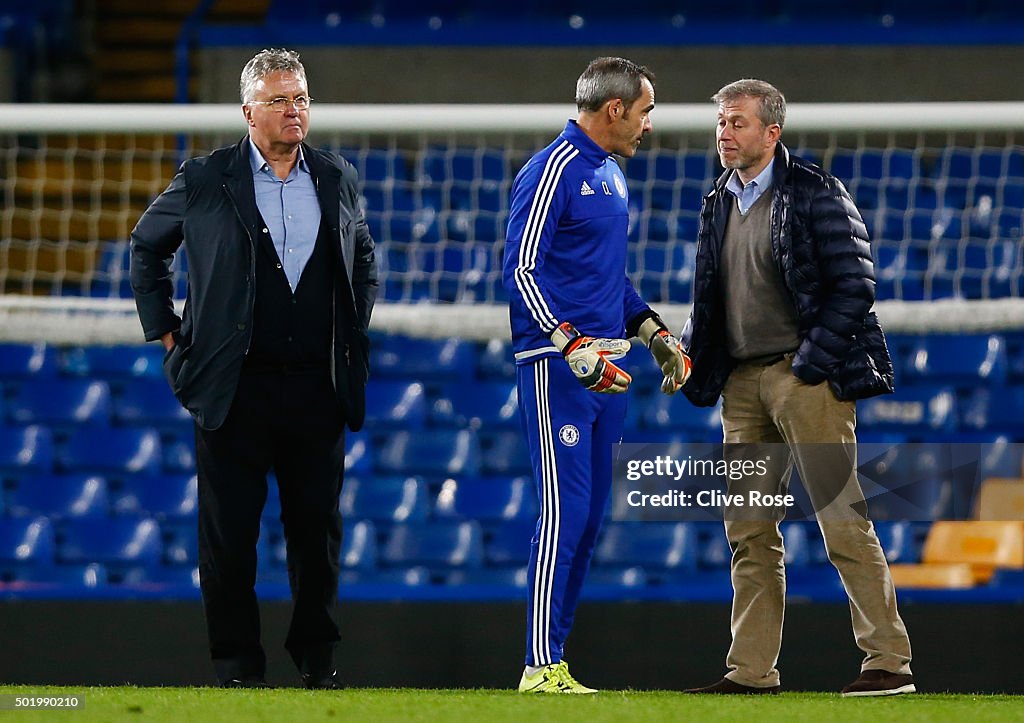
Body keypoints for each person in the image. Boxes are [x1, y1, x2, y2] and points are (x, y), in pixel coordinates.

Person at [130, 48, 378, 689]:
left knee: (317, 536)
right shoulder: (205, 178)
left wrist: (352, 331)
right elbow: (146, 247)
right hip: (231, 386)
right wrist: (164, 333)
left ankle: (317, 663)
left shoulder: (336, 175)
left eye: (300, 98)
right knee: (228, 537)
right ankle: (237, 667)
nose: (293, 110)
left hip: (315, 386)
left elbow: (364, 257)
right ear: (248, 111)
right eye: (278, 100)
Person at [678, 78, 914, 696]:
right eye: (722, 123)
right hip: (742, 383)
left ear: (771, 132)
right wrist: (694, 357)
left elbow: (855, 287)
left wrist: (809, 367)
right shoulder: (717, 202)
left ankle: (887, 662)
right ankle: (751, 672)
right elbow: (712, 298)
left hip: (803, 378)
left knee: (841, 517)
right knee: (749, 533)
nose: (725, 134)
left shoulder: (815, 192)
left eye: (737, 123)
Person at [503, 56, 692, 694]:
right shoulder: (553, 169)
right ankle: (537, 665)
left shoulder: (611, 173)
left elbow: (609, 279)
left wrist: (653, 332)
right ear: (614, 110)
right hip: (559, 368)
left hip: (611, 364)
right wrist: (568, 344)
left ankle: (555, 661)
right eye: (644, 113)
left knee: (588, 520)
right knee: (564, 512)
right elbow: (520, 272)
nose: (647, 126)